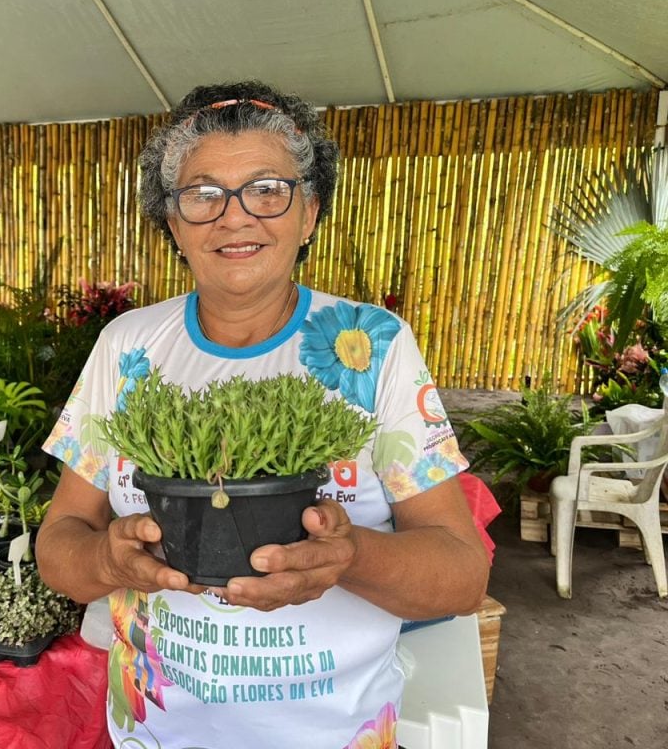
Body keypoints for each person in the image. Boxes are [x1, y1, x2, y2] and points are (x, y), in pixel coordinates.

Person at [35, 82, 490, 749]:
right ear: (172, 223)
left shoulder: (373, 345)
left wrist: (349, 556)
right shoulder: (127, 347)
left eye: (268, 188)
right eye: (203, 194)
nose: (235, 216)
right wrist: (110, 560)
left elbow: (462, 575)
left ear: (309, 214)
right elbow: (59, 547)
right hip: (155, 736)